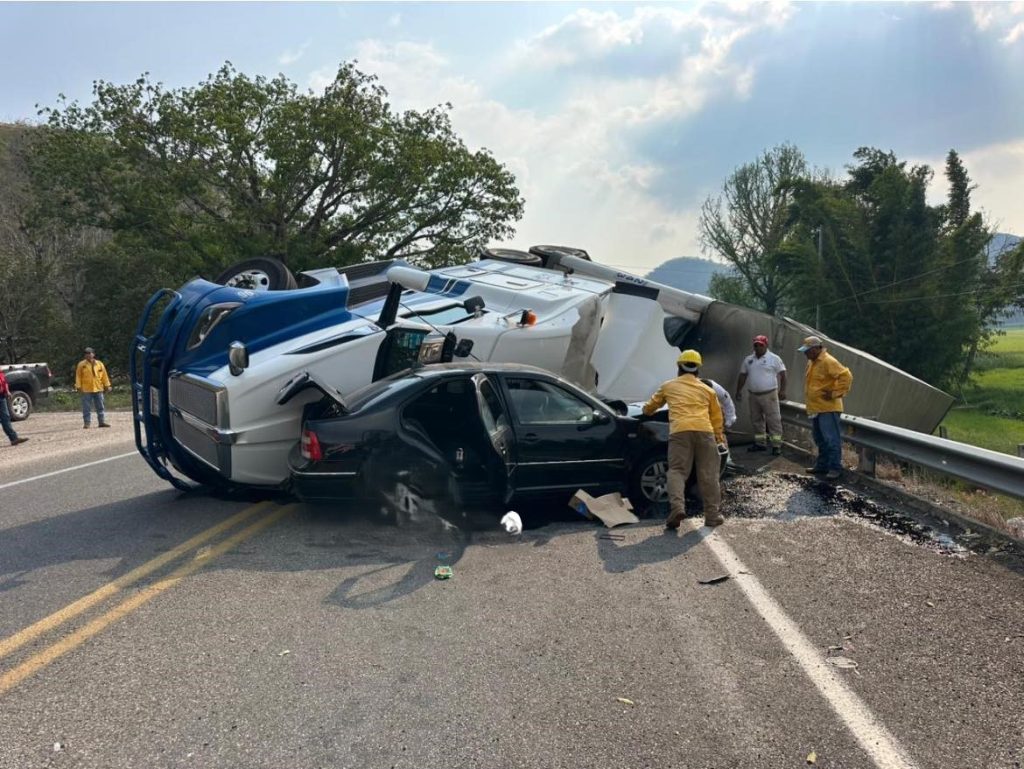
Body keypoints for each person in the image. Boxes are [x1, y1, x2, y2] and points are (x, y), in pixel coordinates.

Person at [642, 349, 725, 529]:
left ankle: (677, 508)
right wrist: (719, 438)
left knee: (677, 471)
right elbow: (717, 417)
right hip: (705, 431)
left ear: (679, 367)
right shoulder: (707, 390)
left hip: (680, 432)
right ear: (698, 370)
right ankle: (712, 516)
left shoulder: (668, 386)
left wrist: (646, 410)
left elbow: (650, 407)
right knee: (709, 474)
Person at [798, 335, 852, 480]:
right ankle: (822, 466)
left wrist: (835, 393)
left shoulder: (828, 361)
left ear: (816, 349)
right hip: (816, 407)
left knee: (831, 439)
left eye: (807, 351)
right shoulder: (812, 362)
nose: (805, 353)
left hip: (828, 408)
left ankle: (835, 468)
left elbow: (846, 376)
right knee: (819, 438)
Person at [735, 334, 787, 455]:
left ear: (766, 345)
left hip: (769, 394)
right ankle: (760, 443)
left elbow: (783, 375)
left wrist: (783, 390)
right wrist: (738, 390)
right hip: (753, 395)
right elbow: (743, 375)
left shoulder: (774, 358)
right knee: (756, 420)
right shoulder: (748, 359)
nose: (758, 347)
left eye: (760, 345)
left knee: (773, 420)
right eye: (756, 345)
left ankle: (776, 445)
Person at [75, 347, 112, 429]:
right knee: (86, 407)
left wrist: (107, 385)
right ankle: (87, 423)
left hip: (98, 388)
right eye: (86, 353)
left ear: (93, 354)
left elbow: (104, 375)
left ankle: (101, 422)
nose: (88, 355)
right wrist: (78, 386)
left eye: (89, 353)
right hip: (86, 389)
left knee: (100, 406)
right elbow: (78, 376)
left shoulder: (99, 364)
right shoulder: (81, 364)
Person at [0, 370, 29, 446]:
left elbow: (4, 382)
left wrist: (7, 391)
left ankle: (14, 439)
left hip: (1, 397)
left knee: (5, 418)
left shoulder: (0, 372)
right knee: (5, 418)